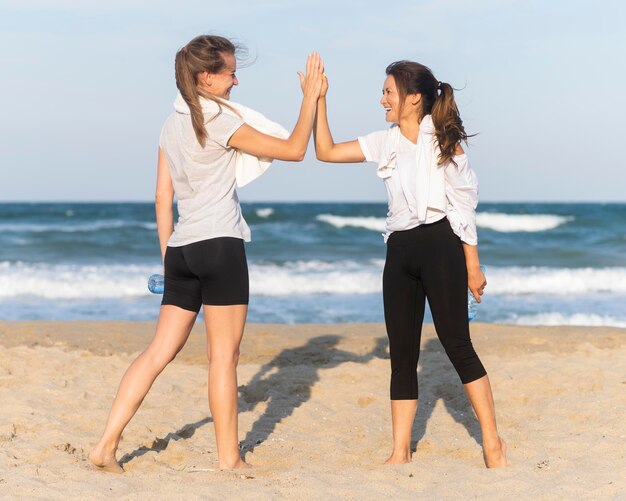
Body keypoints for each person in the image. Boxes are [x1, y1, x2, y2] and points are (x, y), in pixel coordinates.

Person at [89, 35, 324, 473]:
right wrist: (310, 98)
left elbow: (162, 198)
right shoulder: (217, 120)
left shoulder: (170, 123)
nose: (236, 81)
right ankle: (229, 458)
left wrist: (167, 258)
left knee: (157, 351)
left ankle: (105, 444)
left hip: (181, 250)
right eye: (230, 72)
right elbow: (293, 149)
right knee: (223, 357)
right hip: (219, 245)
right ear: (205, 77)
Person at [313, 60, 507, 468]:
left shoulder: (444, 140)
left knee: (457, 345)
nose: (381, 99)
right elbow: (325, 152)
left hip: (441, 246)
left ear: (413, 97)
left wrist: (472, 264)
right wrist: (318, 99)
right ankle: (400, 452)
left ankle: (492, 441)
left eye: (388, 91)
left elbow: (464, 205)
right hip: (399, 251)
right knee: (401, 355)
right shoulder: (383, 142)